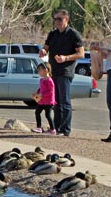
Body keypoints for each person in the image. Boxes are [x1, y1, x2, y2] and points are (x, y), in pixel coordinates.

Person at [39, 9, 84, 137]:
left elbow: (81, 53)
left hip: (66, 71)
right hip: (53, 72)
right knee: (55, 101)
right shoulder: (52, 34)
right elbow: (45, 48)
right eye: (55, 19)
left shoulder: (73, 34)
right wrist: (43, 51)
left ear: (66, 19)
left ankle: (65, 129)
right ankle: (56, 127)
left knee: (64, 101)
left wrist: (66, 58)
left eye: (60, 19)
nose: (57, 21)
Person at [31, 62, 56, 134]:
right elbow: (41, 88)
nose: (39, 72)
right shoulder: (41, 80)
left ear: (46, 70)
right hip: (42, 101)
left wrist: (42, 94)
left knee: (48, 115)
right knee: (37, 112)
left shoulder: (50, 81)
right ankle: (39, 127)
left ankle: (52, 129)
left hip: (48, 101)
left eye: (40, 70)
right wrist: (37, 93)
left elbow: (51, 92)